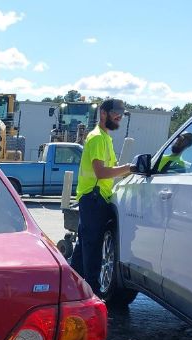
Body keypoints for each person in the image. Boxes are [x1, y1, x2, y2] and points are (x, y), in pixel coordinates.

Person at [70, 98, 135, 295]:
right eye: (115, 113)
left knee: (84, 248)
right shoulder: (98, 137)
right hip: (93, 198)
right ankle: (93, 294)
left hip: (95, 198)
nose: (119, 117)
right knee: (93, 248)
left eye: (122, 114)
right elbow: (101, 172)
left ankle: (73, 290)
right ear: (103, 113)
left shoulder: (105, 138)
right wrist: (128, 168)